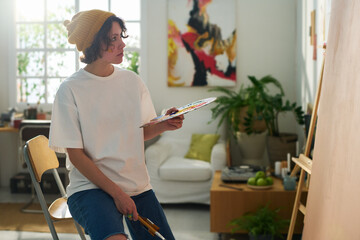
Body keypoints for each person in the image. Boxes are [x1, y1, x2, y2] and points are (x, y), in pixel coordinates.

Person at [49, 9, 184, 240]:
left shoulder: (132, 81)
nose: (122, 44)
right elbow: (76, 156)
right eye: (113, 38)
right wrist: (117, 194)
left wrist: (163, 124)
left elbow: (136, 133)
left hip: (136, 186)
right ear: (93, 42)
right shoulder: (70, 90)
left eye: (121, 36)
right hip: (91, 188)